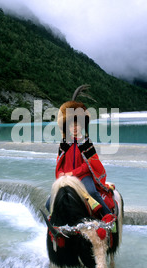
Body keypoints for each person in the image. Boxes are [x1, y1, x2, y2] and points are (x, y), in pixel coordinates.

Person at [48, 85, 115, 217]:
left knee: (92, 192)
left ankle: (108, 217)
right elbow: (59, 164)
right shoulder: (64, 143)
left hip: (83, 177)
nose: (74, 128)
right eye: (72, 125)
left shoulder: (86, 143)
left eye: (77, 124)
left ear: (82, 126)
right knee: (49, 201)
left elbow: (88, 166)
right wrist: (61, 174)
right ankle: (55, 223)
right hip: (66, 178)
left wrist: (73, 172)